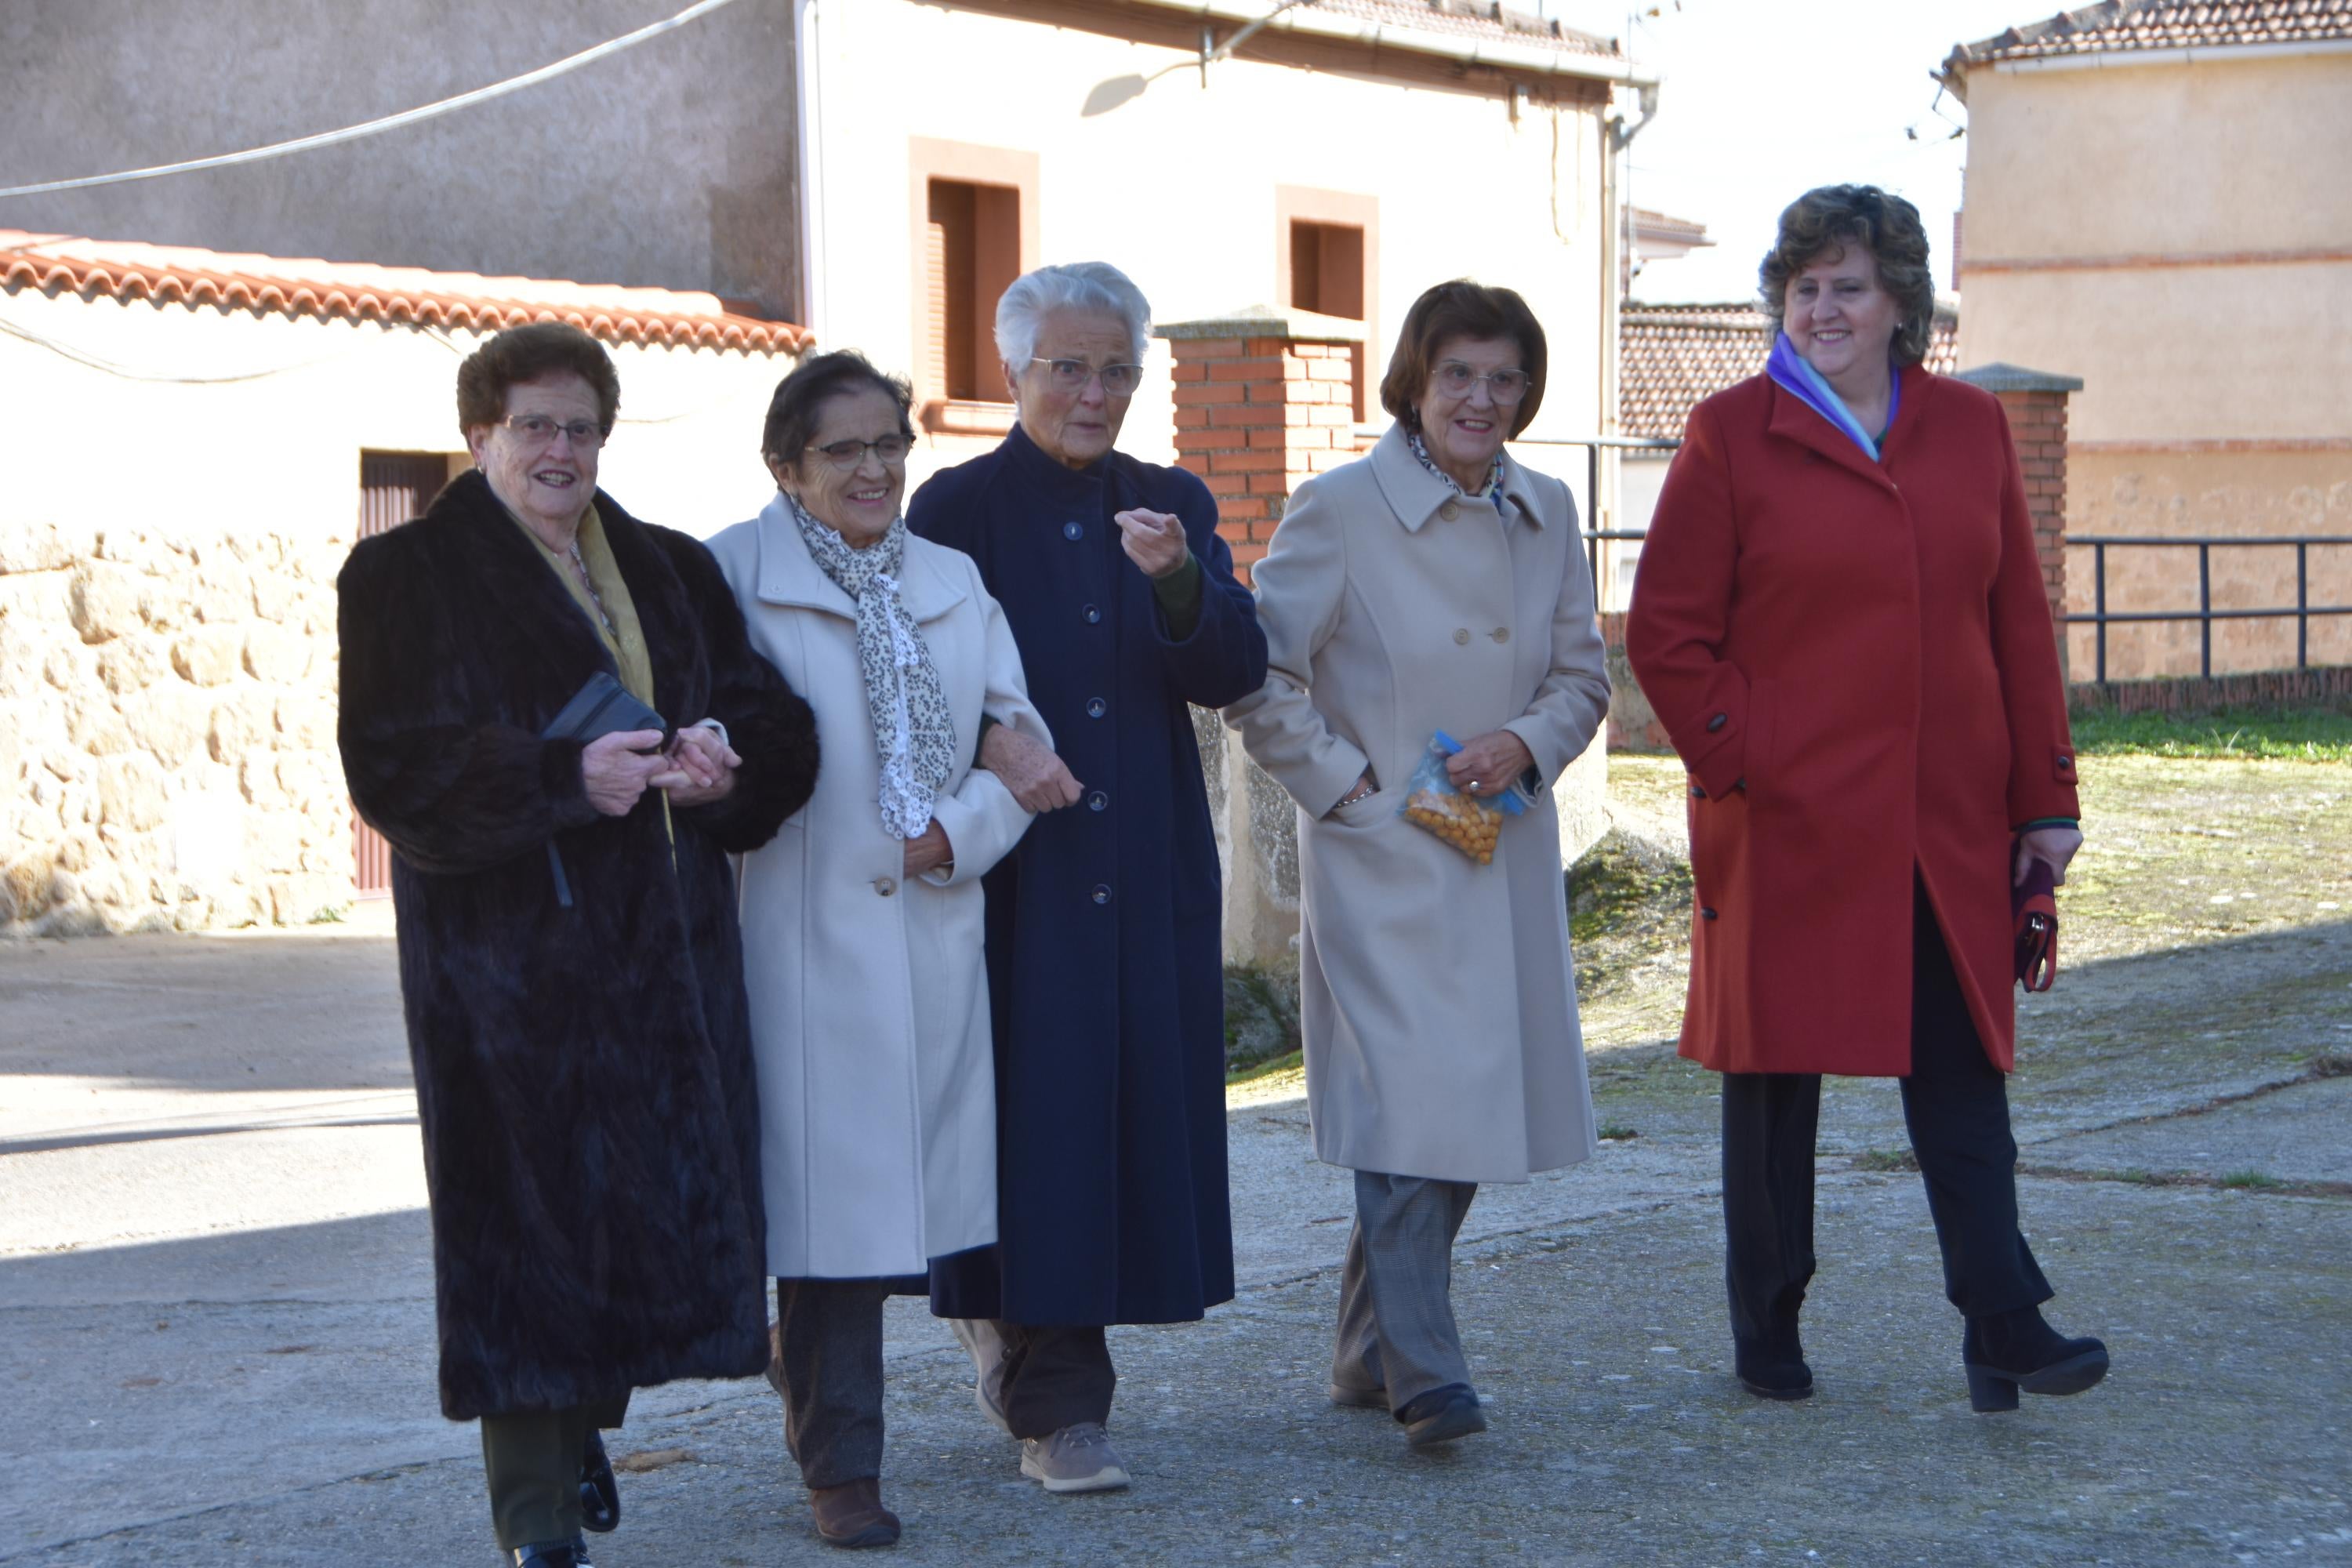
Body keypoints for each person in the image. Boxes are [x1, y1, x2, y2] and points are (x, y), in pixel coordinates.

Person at [337, 322, 819, 1567]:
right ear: (479, 435)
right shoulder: (400, 578)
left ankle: (579, 1409)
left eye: (582, 428)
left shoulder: (665, 567)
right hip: (509, 976)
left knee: (648, 1223)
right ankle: (537, 1516)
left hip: (668, 962)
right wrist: (563, 774)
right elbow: (393, 769)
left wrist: (722, 760)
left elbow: (774, 723)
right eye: (535, 426)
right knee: (526, 1242)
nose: (561, 450)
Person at [1624, 184, 2107, 1413]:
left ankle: (2003, 1320)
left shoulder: (1973, 430)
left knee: (1960, 1069)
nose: (1824, 308)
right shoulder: (1732, 432)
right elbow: (1671, 636)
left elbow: (2016, 621)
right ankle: (1768, 1330)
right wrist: (1753, 756)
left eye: (1848, 286)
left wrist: (2044, 798)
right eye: (1804, 288)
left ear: (1901, 303)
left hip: (1945, 818)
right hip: (1786, 815)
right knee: (1776, 1083)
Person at [1226, 280, 1611, 1449]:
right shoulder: (1340, 508)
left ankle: (1363, 1348)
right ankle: (1427, 1375)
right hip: (1392, 855)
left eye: (1505, 378)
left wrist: (1527, 741)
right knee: (1410, 1105)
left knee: (1465, 1107)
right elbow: (1262, 675)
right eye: (1460, 376)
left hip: (1498, 849)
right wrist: (1352, 793)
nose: (1482, 399)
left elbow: (1583, 677)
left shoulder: (1547, 509)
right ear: (1416, 380)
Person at [908, 261, 1269, 1493]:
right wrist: (993, 741)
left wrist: (1176, 578)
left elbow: (1229, 667)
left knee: (1118, 1122)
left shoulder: (1172, 498)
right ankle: (1058, 1407)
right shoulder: (954, 509)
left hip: (1144, 854)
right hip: (1018, 868)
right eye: (1068, 367)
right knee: (1034, 1120)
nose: (1094, 391)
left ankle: (1029, 1354)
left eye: (1116, 368)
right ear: (1014, 372)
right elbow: (906, 685)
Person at [705, 351, 1062, 1548]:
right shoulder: (729, 578)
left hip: (925, 935)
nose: (873, 469)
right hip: (789, 945)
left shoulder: (953, 582)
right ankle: (841, 1470)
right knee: (825, 1226)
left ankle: (822, 1399)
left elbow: (1017, 746)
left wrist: (948, 839)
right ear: (786, 467)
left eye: (889, 446)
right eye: (842, 450)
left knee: (891, 1215)